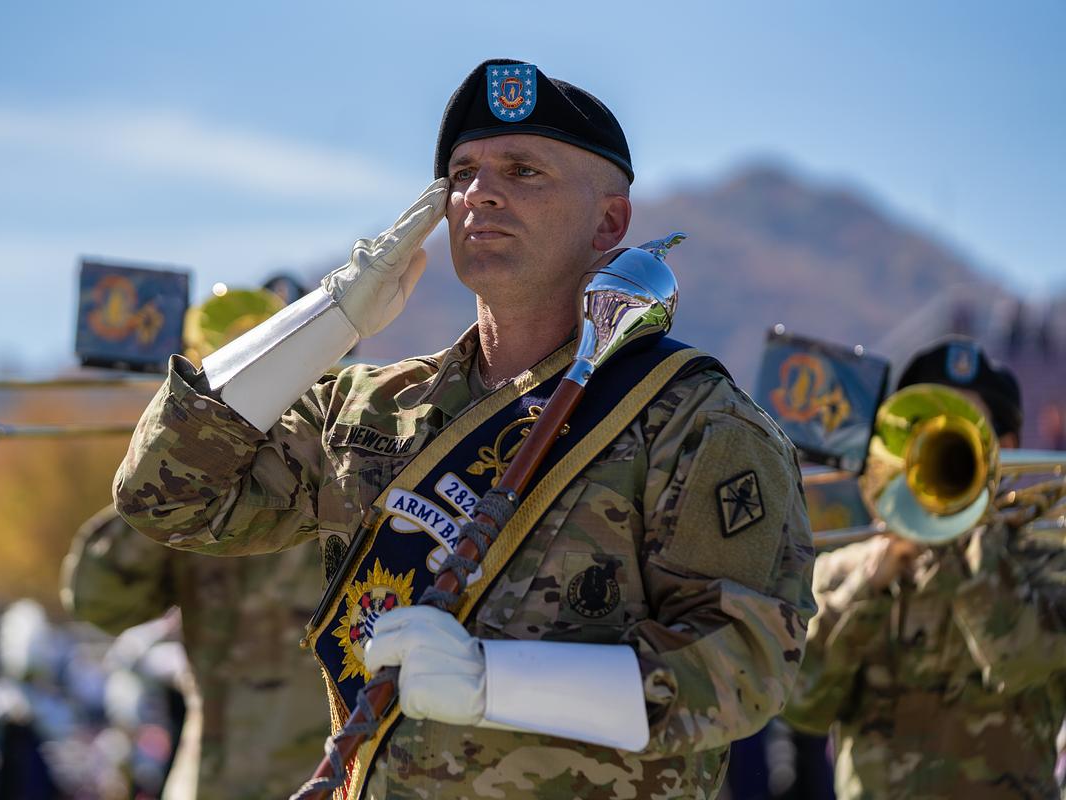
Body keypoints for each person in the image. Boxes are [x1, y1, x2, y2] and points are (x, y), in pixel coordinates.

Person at [114, 58, 815, 799]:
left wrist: (494, 683)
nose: (481, 193)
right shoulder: (369, 408)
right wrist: (331, 317)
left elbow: (746, 663)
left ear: (609, 221)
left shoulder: (695, 422)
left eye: (523, 171)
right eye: (463, 174)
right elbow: (167, 495)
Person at [783, 336, 1066, 799]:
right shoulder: (844, 572)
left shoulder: (1049, 563)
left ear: (1008, 447)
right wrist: (867, 586)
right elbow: (799, 704)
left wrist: (969, 559)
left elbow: (1022, 662)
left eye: (963, 429)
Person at [63, 504, 330, 799]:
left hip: (339, 775)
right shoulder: (205, 482)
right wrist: (166, 486)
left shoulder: (356, 471)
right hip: (208, 781)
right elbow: (98, 603)